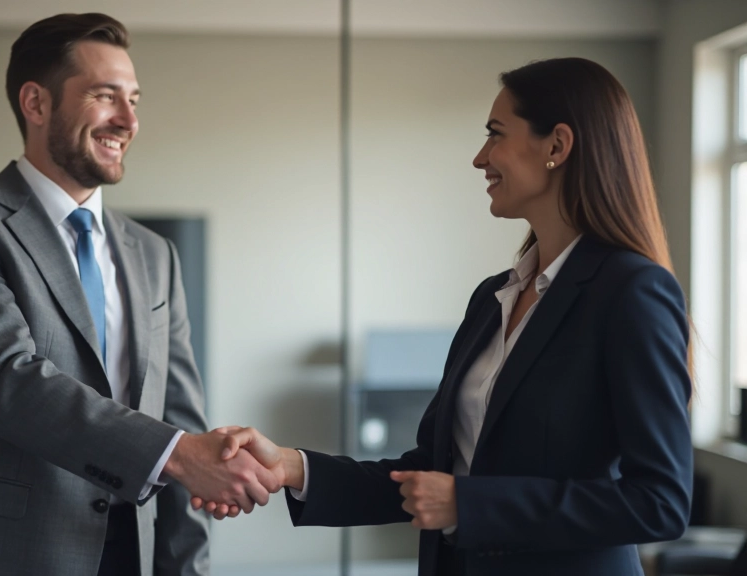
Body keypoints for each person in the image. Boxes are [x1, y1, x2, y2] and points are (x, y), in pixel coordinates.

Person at [194, 57, 694, 576]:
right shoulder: (491, 298)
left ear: (557, 146)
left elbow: (660, 500)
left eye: (495, 134)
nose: (481, 157)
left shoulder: (632, 291)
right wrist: (290, 466)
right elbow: (431, 475)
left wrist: (470, 506)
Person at [0, 13, 280, 576]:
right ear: (36, 103)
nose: (128, 120)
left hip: (129, 553)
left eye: (135, 100)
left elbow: (181, 416)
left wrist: (186, 564)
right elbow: (9, 383)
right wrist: (176, 454)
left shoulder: (155, 253)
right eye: (105, 96)